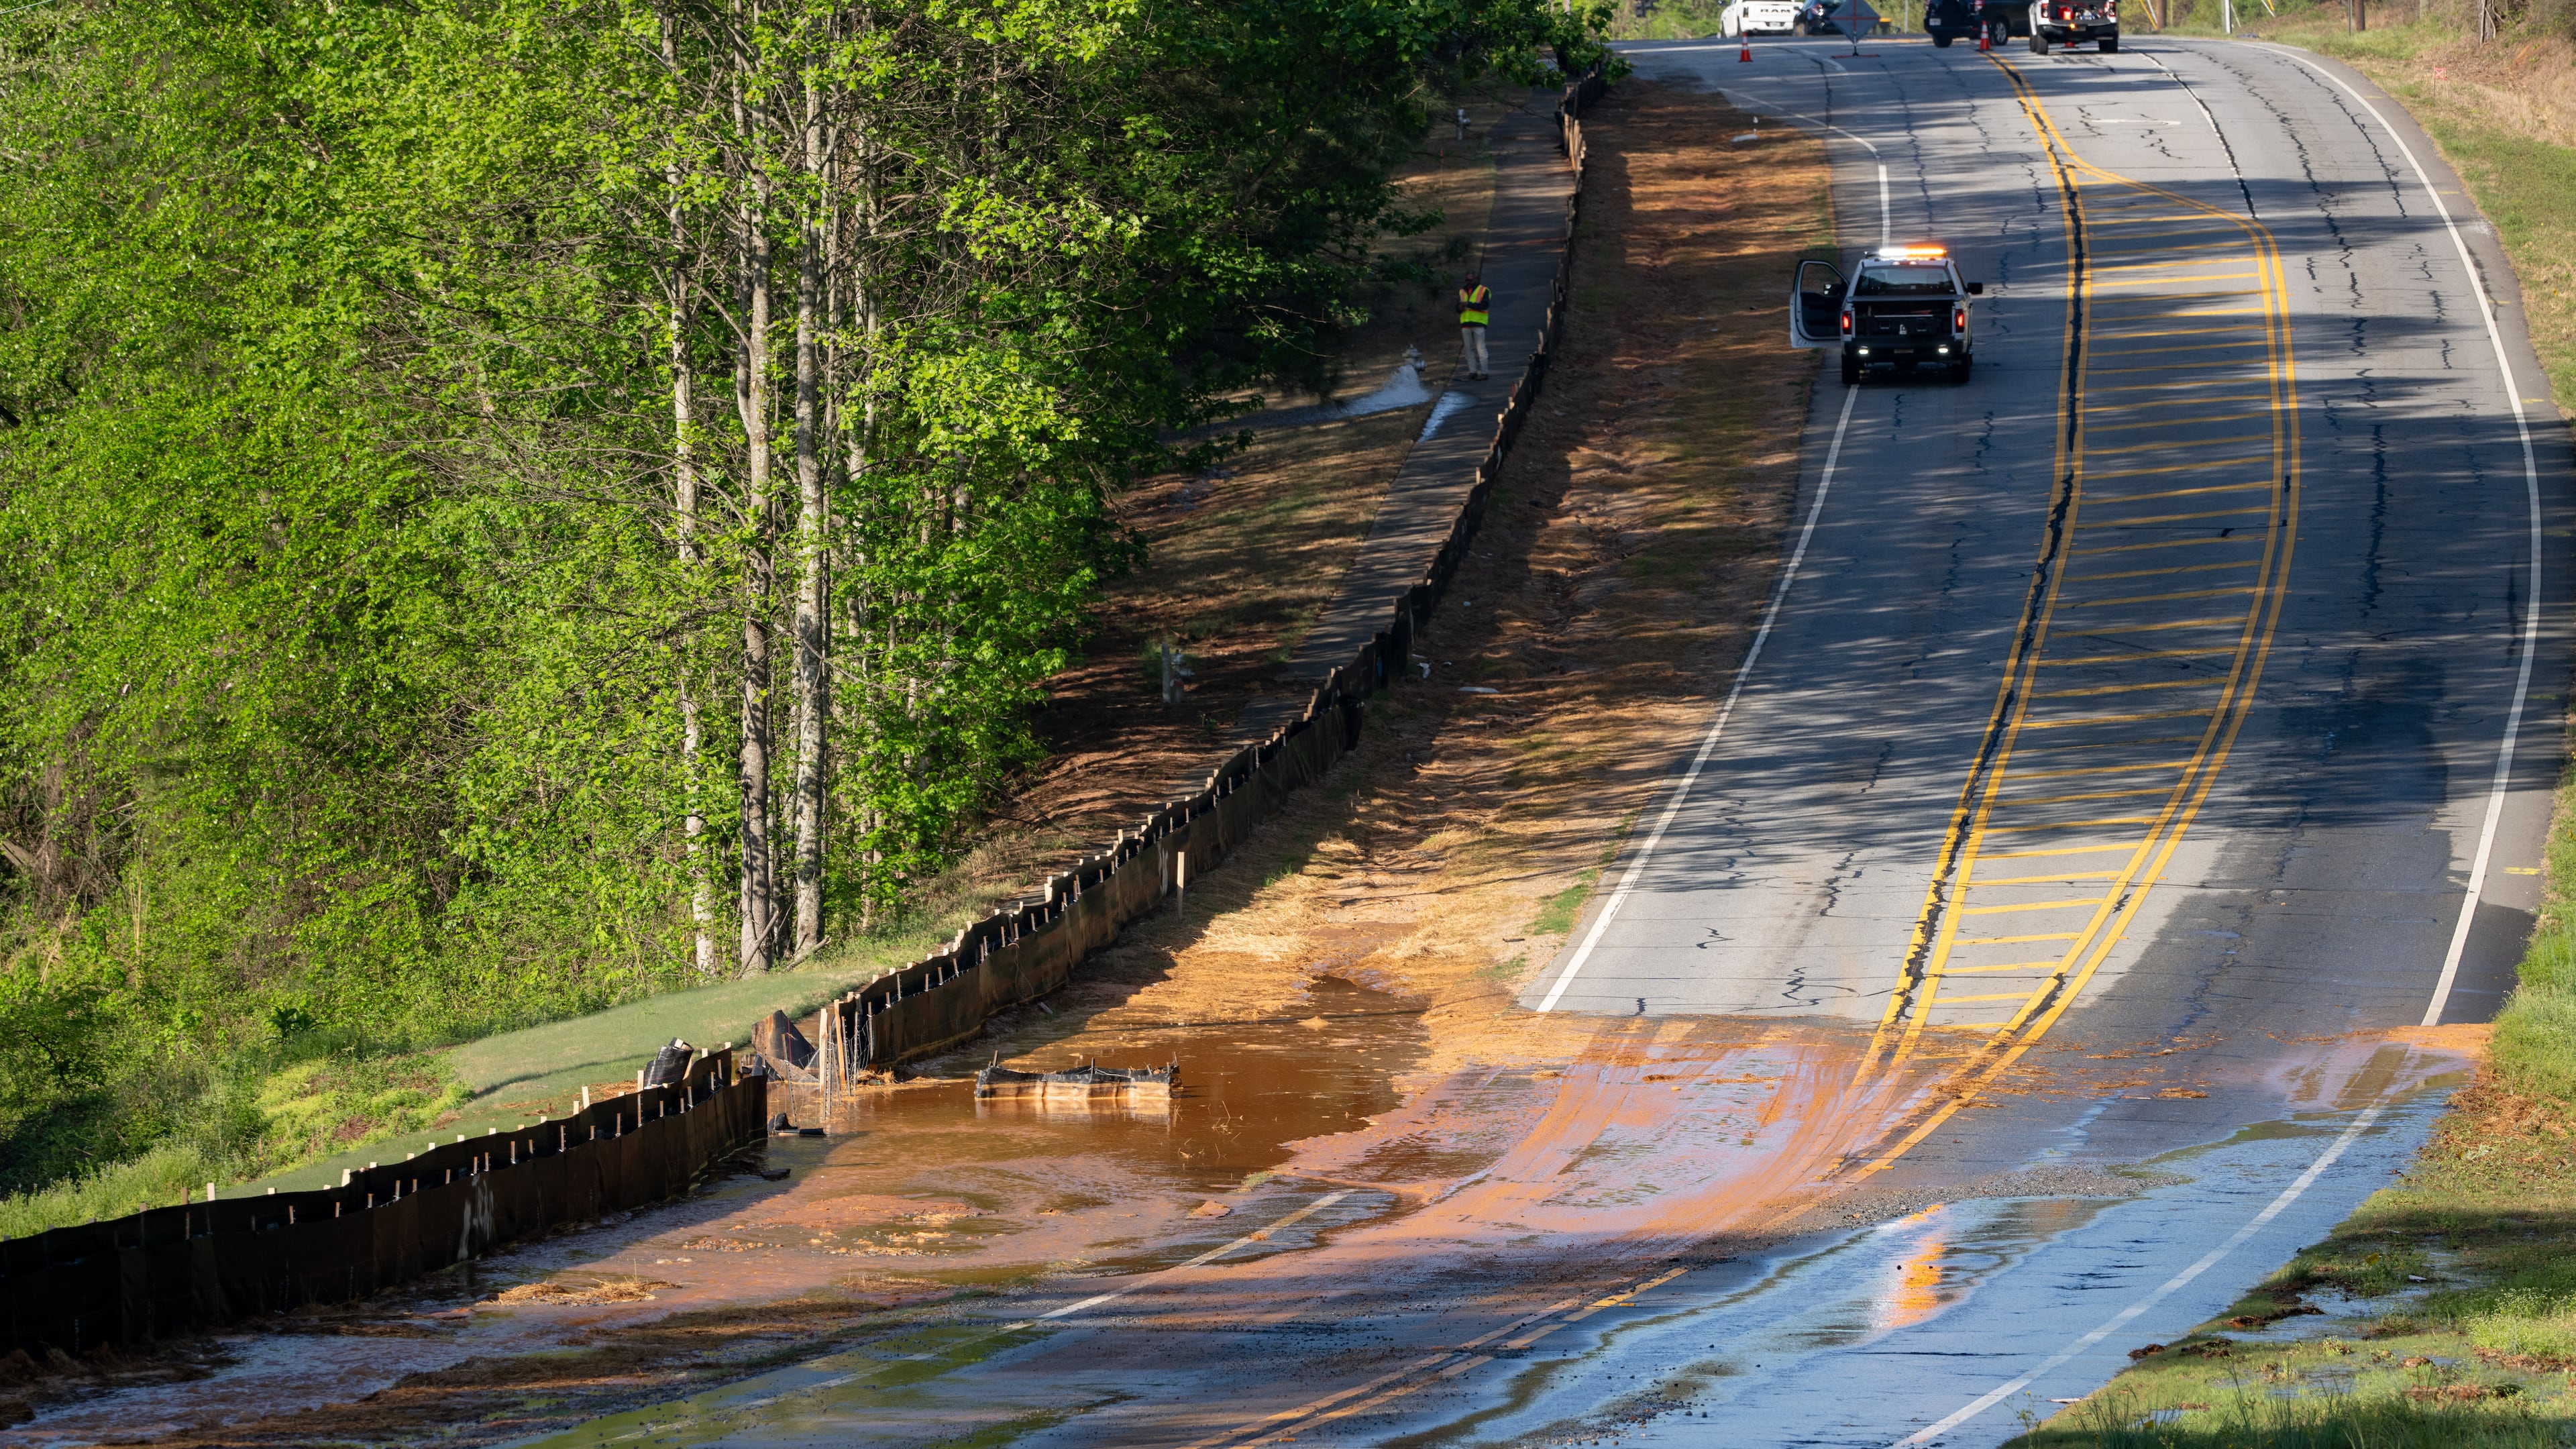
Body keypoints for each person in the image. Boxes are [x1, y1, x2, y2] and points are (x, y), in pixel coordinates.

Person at [1457, 270, 1491, 380]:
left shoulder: (1484, 291)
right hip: (1466, 323)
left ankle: (1484, 372)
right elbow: (1457, 307)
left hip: (1479, 323)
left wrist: (1469, 304)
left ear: (1476, 279)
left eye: (1470, 280)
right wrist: (1460, 308)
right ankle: (1473, 371)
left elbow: (1485, 305)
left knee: (1481, 348)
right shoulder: (1462, 291)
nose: (1468, 282)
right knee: (1468, 349)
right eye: (1467, 280)